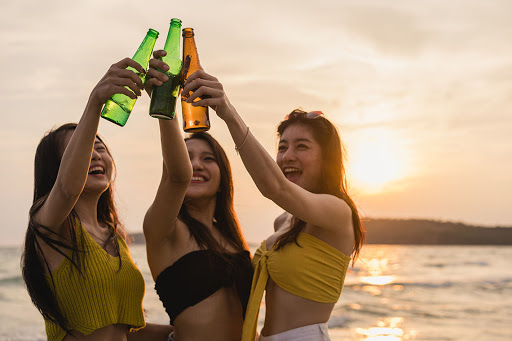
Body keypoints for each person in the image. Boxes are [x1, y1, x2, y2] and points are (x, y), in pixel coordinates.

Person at [181, 70, 365, 341]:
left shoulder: (337, 211)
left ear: (326, 158)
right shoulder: (284, 221)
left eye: (302, 147)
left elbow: (274, 187)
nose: (288, 156)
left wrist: (227, 111)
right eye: (282, 147)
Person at [21, 58, 173, 341]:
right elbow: (67, 189)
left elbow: (124, 329)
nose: (95, 154)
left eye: (99, 146)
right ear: (57, 169)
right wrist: (95, 103)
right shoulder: (49, 223)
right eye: (83, 148)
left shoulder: (113, 234)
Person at [142, 50, 253, 341]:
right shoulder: (165, 230)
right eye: (188, 156)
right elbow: (178, 175)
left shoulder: (231, 237)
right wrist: (165, 100)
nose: (196, 165)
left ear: (223, 173)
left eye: (208, 158)